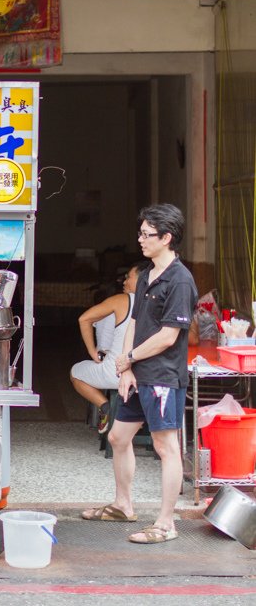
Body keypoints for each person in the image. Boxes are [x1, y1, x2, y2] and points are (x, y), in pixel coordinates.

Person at [82, 204, 197, 545]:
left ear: (167, 238)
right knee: (118, 438)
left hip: (162, 376)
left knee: (166, 447)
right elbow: (135, 321)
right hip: (138, 373)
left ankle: (165, 523)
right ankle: (122, 504)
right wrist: (126, 366)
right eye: (140, 233)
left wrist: (129, 357)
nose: (141, 240)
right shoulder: (147, 274)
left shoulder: (180, 280)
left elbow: (168, 336)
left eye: (148, 235)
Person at [70, 262, 143, 434]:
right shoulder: (162, 301)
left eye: (129, 277)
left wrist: (92, 351)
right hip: (151, 375)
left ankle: (107, 407)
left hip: (117, 372)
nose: (124, 282)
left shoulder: (121, 300)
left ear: (142, 279)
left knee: (75, 372)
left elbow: (84, 319)